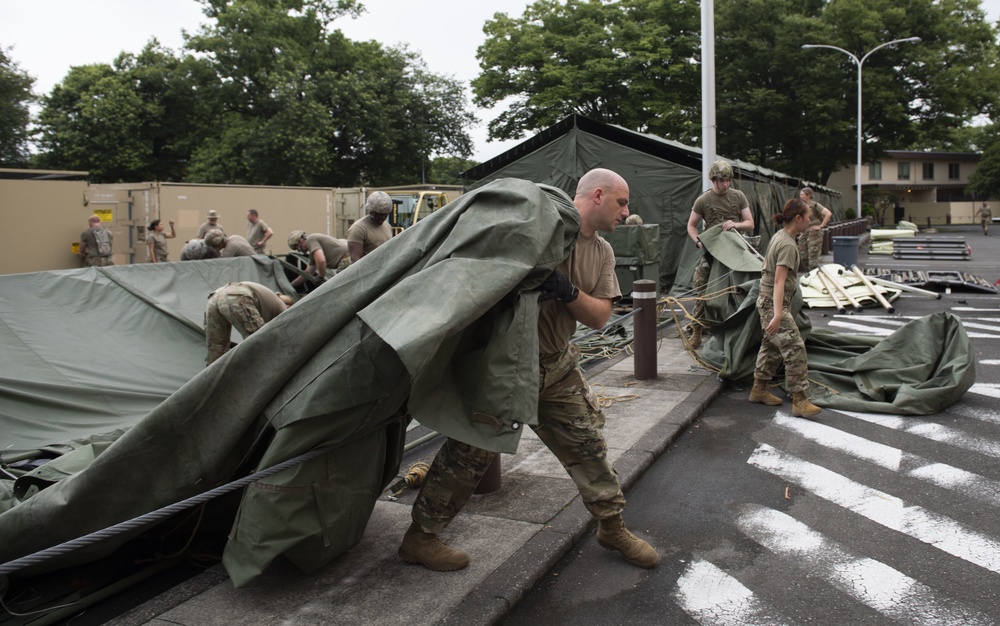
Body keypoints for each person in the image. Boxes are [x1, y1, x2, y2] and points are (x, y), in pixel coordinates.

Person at [398, 168, 660, 572]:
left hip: (556, 365)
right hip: (505, 366)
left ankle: (612, 526)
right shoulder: (542, 230)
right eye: (622, 202)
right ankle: (421, 537)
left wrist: (569, 293)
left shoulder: (603, 252)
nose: (626, 212)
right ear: (597, 196)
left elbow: (601, 315)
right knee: (469, 453)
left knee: (588, 446)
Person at [749, 197, 821, 418]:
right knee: (795, 348)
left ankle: (759, 389)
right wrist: (778, 314)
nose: (810, 220)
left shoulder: (779, 236)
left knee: (772, 345)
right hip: (774, 302)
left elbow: (764, 265)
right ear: (798, 218)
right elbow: (779, 281)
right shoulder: (788, 244)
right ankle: (800, 400)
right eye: (808, 217)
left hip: (768, 299)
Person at [685, 160, 755, 348]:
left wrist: (736, 224)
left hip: (736, 250)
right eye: (721, 181)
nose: (725, 184)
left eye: (727, 180)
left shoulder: (738, 196)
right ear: (713, 180)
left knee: (744, 287)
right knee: (701, 287)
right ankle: (697, 330)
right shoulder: (704, 200)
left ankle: (742, 331)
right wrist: (698, 241)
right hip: (712, 251)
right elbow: (691, 225)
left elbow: (750, 223)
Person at [204, 281, 295, 364]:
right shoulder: (283, 307)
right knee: (262, 342)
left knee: (216, 349)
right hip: (236, 295)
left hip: (215, 297)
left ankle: (211, 380)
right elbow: (288, 332)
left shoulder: (267, 300)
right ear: (288, 306)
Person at [347, 191, 394, 262]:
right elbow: (355, 260)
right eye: (379, 214)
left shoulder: (388, 226)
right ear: (371, 212)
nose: (383, 217)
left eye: (386, 214)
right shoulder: (358, 228)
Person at [797, 187, 832, 272]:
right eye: (800, 195)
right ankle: (809, 272)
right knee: (803, 254)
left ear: (808, 196)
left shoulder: (815, 205)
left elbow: (828, 214)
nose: (800, 196)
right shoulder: (802, 206)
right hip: (805, 231)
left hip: (814, 233)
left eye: (802, 195)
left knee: (813, 255)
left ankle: (814, 274)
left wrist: (821, 226)